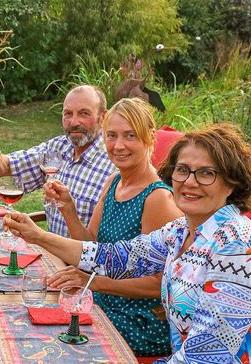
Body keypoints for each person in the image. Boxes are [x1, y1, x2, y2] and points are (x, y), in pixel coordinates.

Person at [4, 123, 251, 362]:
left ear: (231, 183)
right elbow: (112, 258)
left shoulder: (238, 247)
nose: (189, 181)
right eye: (183, 170)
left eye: (206, 173)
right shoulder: (181, 231)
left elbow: (208, 355)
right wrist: (37, 235)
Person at [44, 98, 183, 356]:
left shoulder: (157, 198)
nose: (118, 146)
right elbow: (92, 245)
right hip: (101, 300)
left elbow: (159, 284)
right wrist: (68, 208)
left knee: (55, 342)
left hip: (138, 319)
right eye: (112, 136)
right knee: (39, 313)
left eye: (130, 136)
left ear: (149, 138)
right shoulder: (114, 182)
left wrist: (95, 282)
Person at [0, 85, 116, 236]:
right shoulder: (57, 148)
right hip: (50, 254)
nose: (74, 122)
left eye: (84, 113)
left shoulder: (114, 164)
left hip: (82, 257)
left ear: (104, 117)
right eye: (68, 114)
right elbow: (9, 168)